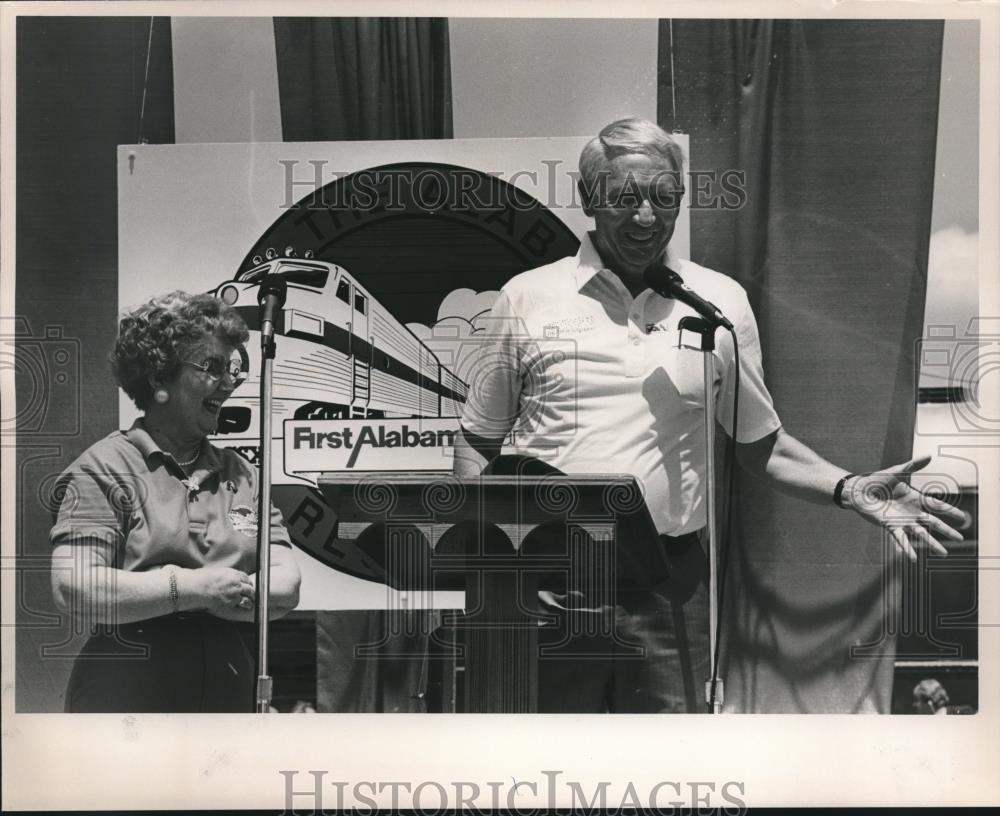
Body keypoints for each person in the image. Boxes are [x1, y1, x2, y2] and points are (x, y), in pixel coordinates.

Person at [453, 117, 964, 713]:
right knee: (542, 775)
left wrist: (849, 489)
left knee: (671, 776)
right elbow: (476, 439)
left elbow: (760, 444)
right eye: (625, 197)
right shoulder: (526, 297)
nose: (647, 217)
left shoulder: (718, 302)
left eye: (665, 197)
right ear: (590, 199)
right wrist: (498, 564)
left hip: (670, 589)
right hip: (547, 582)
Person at [50, 291, 301, 712]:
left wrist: (183, 593)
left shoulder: (242, 473)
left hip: (228, 691)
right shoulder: (103, 468)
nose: (231, 381)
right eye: (213, 367)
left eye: (233, 368)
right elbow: (74, 585)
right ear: (158, 378)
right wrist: (192, 589)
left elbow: (286, 585)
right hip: (127, 694)